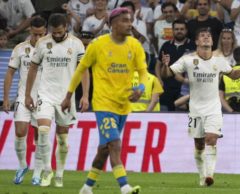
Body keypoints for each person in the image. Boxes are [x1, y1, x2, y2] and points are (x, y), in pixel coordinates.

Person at [61, 7, 148, 194]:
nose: (129, 24)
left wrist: (140, 88)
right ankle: (125, 187)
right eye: (125, 20)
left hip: (123, 104)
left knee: (104, 150)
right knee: (115, 144)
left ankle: (86, 187)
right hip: (103, 103)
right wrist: (68, 96)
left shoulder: (135, 46)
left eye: (130, 19)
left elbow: (143, 73)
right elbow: (80, 69)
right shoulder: (97, 45)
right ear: (112, 24)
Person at [161, 27, 240, 186]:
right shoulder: (188, 59)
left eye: (208, 36)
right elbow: (167, 74)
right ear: (197, 41)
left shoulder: (219, 61)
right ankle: (201, 177)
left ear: (212, 42)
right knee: (199, 145)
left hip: (213, 108)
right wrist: (165, 65)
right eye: (202, 36)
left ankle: (209, 175)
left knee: (211, 139)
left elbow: (233, 75)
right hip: (195, 109)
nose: (206, 38)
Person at [25, 13, 89, 187]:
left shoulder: (76, 44)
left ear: (66, 27)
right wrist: (28, 94)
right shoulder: (42, 42)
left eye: (60, 32)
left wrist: (84, 95)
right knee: (43, 130)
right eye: (54, 32)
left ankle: (59, 174)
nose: (57, 35)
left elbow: (83, 70)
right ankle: (47, 170)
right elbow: (33, 68)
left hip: (66, 97)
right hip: (45, 94)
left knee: (62, 139)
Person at [2, 16, 46, 186]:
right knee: (20, 131)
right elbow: (10, 73)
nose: (37, 38)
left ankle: (38, 172)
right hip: (23, 96)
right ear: (30, 32)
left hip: (44, 98)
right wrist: (6, 98)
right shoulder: (20, 49)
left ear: (45, 32)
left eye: (40, 34)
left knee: (40, 136)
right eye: (34, 35)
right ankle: (22, 166)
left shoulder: (52, 50)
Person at [155, 19, 195, 111]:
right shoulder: (166, 45)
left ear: (186, 30)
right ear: (173, 30)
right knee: (165, 112)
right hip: (167, 86)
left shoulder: (193, 45)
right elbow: (158, 65)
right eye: (176, 29)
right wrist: (159, 80)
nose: (179, 31)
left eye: (182, 29)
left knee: (182, 115)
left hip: (184, 88)